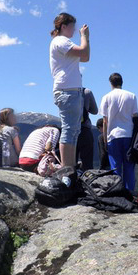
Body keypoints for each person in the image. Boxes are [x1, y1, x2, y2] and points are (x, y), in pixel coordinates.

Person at [49, 12, 90, 168]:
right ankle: (67, 170)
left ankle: (69, 169)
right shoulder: (61, 40)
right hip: (67, 90)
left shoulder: (62, 42)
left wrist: (85, 39)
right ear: (63, 26)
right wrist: (84, 36)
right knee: (69, 130)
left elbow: (85, 57)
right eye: (72, 26)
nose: (74, 30)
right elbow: (84, 53)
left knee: (73, 131)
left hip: (71, 91)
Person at [99, 73, 138, 191]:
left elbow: (105, 121)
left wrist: (105, 139)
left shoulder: (106, 97)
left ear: (110, 83)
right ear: (122, 82)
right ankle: (130, 192)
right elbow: (135, 116)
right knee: (129, 167)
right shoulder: (132, 96)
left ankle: (118, 193)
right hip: (129, 135)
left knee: (115, 167)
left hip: (113, 136)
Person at [76, 87, 98, 171]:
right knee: (87, 162)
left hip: (70, 131)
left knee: (70, 163)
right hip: (84, 129)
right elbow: (95, 111)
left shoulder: (64, 92)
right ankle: (87, 182)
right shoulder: (86, 92)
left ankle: (70, 182)